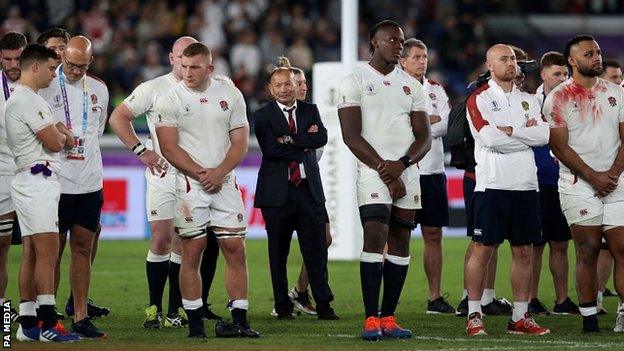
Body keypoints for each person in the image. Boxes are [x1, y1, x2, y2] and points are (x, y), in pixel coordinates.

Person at [109, 36, 221, 329]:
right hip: (163, 172)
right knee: (160, 238)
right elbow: (119, 117)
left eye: (191, 56)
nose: (185, 62)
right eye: (180, 55)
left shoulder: (213, 87)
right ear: (172, 58)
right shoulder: (153, 88)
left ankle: (174, 312)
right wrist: (141, 150)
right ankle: (153, 308)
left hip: (194, 176)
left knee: (185, 243)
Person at [155, 42, 259, 338]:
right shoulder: (169, 99)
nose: (187, 73)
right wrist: (202, 173)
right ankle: (196, 325)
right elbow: (168, 147)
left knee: (235, 249)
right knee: (193, 251)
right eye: (184, 67)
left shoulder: (230, 94)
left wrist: (219, 172)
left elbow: (240, 141)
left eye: (195, 67)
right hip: (190, 186)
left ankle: (240, 319)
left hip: (224, 183)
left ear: (210, 68)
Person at [338, 20, 431, 341]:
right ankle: (370, 318)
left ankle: (389, 317)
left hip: (407, 172)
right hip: (373, 171)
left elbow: (424, 138)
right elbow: (350, 135)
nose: (398, 45)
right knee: (375, 237)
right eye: (392, 40)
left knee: (401, 242)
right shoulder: (354, 81)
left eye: (401, 41)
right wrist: (385, 169)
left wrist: (402, 164)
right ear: (373, 42)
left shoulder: (413, 86)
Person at [464, 44, 550, 336]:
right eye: (504, 59)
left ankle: (520, 317)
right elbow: (489, 139)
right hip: (492, 185)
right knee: (483, 250)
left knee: (524, 251)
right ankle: (474, 313)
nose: (511, 63)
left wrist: (512, 132)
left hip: (526, 185)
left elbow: (544, 135)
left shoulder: (529, 99)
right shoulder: (479, 99)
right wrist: (526, 135)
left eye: (513, 59)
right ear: (489, 64)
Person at [544, 35, 624, 333]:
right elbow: (560, 148)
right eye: (589, 54)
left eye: (599, 52)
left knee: (622, 247)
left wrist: (613, 174)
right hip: (578, 184)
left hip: (617, 183)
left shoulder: (617, 92)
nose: (597, 57)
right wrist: (595, 177)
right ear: (572, 61)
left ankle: (623, 311)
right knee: (588, 249)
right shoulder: (558, 98)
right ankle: (589, 318)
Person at [254, 57, 338, 321]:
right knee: (278, 253)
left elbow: (321, 137)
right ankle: (282, 306)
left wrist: (289, 139)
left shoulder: (309, 110)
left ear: (296, 84)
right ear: (271, 88)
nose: (284, 89)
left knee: (316, 251)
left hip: (307, 190)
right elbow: (271, 148)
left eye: (288, 84)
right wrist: (303, 142)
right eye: (278, 85)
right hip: (276, 194)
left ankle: (324, 304)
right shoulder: (262, 114)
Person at [6, 44, 80, 342]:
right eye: (51, 68)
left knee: (32, 252)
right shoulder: (28, 100)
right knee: (49, 252)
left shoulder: (22, 98)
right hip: (39, 180)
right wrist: (62, 133)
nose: (54, 73)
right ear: (34, 67)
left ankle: (26, 324)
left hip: (27, 179)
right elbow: (55, 142)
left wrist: (58, 131)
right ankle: (48, 324)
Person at [38, 35, 108, 338]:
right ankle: (47, 315)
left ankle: (80, 315)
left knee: (83, 248)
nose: (75, 71)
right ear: (63, 56)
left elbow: (97, 130)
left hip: (90, 181)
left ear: (90, 62)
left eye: (82, 66)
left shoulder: (101, 90)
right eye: (70, 64)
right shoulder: (46, 86)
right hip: (56, 180)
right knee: (51, 250)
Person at [399, 38, 454, 314]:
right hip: (403, 171)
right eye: (417, 57)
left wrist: (416, 124)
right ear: (403, 60)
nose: (423, 61)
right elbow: (395, 127)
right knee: (397, 236)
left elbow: (448, 123)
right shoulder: (394, 89)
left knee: (433, 234)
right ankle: (390, 299)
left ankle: (434, 298)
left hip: (432, 172)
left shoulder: (436, 90)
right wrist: (428, 121)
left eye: (425, 57)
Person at [528, 51, 579, 316]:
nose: (562, 78)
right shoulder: (529, 104)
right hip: (537, 183)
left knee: (560, 243)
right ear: (544, 75)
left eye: (565, 74)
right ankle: (531, 299)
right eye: (557, 74)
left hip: (563, 182)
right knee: (535, 244)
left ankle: (562, 300)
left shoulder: (574, 103)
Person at [0, 31, 26, 324]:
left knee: (36, 245)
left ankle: (36, 310)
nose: (12, 64)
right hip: (3, 174)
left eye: (17, 58)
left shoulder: (38, 84)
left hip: (33, 174)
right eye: (7, 59)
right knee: (2, 246)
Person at [595, 58, 623, 307]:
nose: (620, 82)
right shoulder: (585, 104)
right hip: (602, 182)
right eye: (615, 77)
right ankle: (597, 298)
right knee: (603, 247)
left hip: (617, 180)